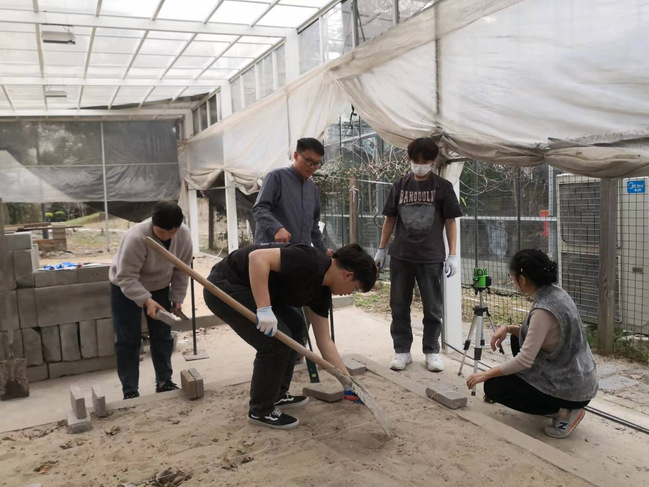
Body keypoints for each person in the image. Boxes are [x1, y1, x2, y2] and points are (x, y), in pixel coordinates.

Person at [203, 243, 377, 430]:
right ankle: (260, 410)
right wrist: (264, 308)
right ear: (348, 275)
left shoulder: (322, 293)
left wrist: (348, 382)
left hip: (256, 291)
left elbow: (325, 341)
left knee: (296, 327)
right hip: (226, 285)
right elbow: (257, 258)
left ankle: (277, 394)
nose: (350, 293)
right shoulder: (310, 260)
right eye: (355, 288)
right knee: (275, 342)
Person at [466, 249, 598, 439]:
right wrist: (508, 328)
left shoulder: (543, 310)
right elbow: (539, 335)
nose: (512, 281)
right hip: (580, 377)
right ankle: (556, 404)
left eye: (511, 277)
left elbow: (523, 360)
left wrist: (485, 374)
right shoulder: (557, 293)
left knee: (493, 387)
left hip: (570, 391)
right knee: (516, 337)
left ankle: (564, 412)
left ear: (522, 280)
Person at [374, 137, 462, 372]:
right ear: (410, 159)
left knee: (432, 308)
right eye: (416, 160)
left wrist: (453, 255)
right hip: (401, 255)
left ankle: (432, 351)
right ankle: (402, 351)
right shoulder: (400, 185)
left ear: (433, 160)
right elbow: (390, 218)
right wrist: (381, 249)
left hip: (431, 256)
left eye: (425, 161)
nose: (419, 165)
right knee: (398, 305)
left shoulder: (443, 187)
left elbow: (450, 221)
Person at [109, 202, 193, 400]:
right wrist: (146, 301)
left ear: (177, 228)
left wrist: (177, 297)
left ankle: (164, 381)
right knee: (128, 339)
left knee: (162, 335)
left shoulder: (184, 236)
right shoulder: (136, 237)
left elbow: (182, 269)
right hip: (125, 288)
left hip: (159, 286)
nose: (162, 236)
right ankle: (130, 390)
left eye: (168, 233)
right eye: (159, 231)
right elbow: (126, 277)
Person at [252, 137, 332, 256]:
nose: (312, 167)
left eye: (316, 164)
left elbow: (313, 227)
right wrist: (277, 228)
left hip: (299, 256)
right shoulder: (276, 177)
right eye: (309, 161)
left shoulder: (313, 189)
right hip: (271, 253)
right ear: (296, 155)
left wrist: (323, 250)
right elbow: (259, 209)